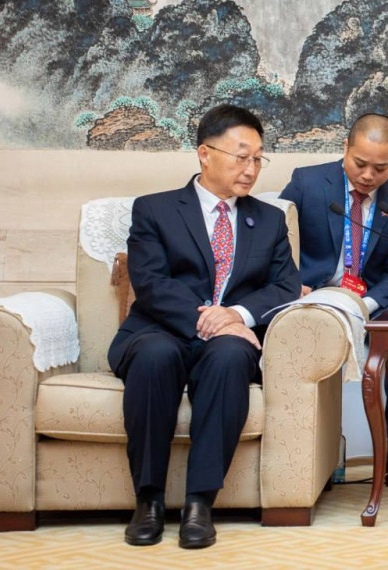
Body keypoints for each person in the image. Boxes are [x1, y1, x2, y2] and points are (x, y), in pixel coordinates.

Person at [109, 105, 300, 549]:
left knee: (231, 357)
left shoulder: (269, 220)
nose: (250, 169)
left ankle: (200, 503)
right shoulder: (154, 209)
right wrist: (209, 317)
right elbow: (150, 283)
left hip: (230, 338)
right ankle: (148, 500)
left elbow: (286, 285)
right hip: (159, 329)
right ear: (204, 153)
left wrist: (238, 315)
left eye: (258, 158)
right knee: (156, 356)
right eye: (241, 156)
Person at [280, 113, 388, 473]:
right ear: (345, 148)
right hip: (311, 295)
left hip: (368, 299)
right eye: (360, 164)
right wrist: (291, 285)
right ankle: (302, 440)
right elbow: (273, 243)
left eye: (380, 168)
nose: (368, 176)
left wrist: (363, 304)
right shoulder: (307, 182)